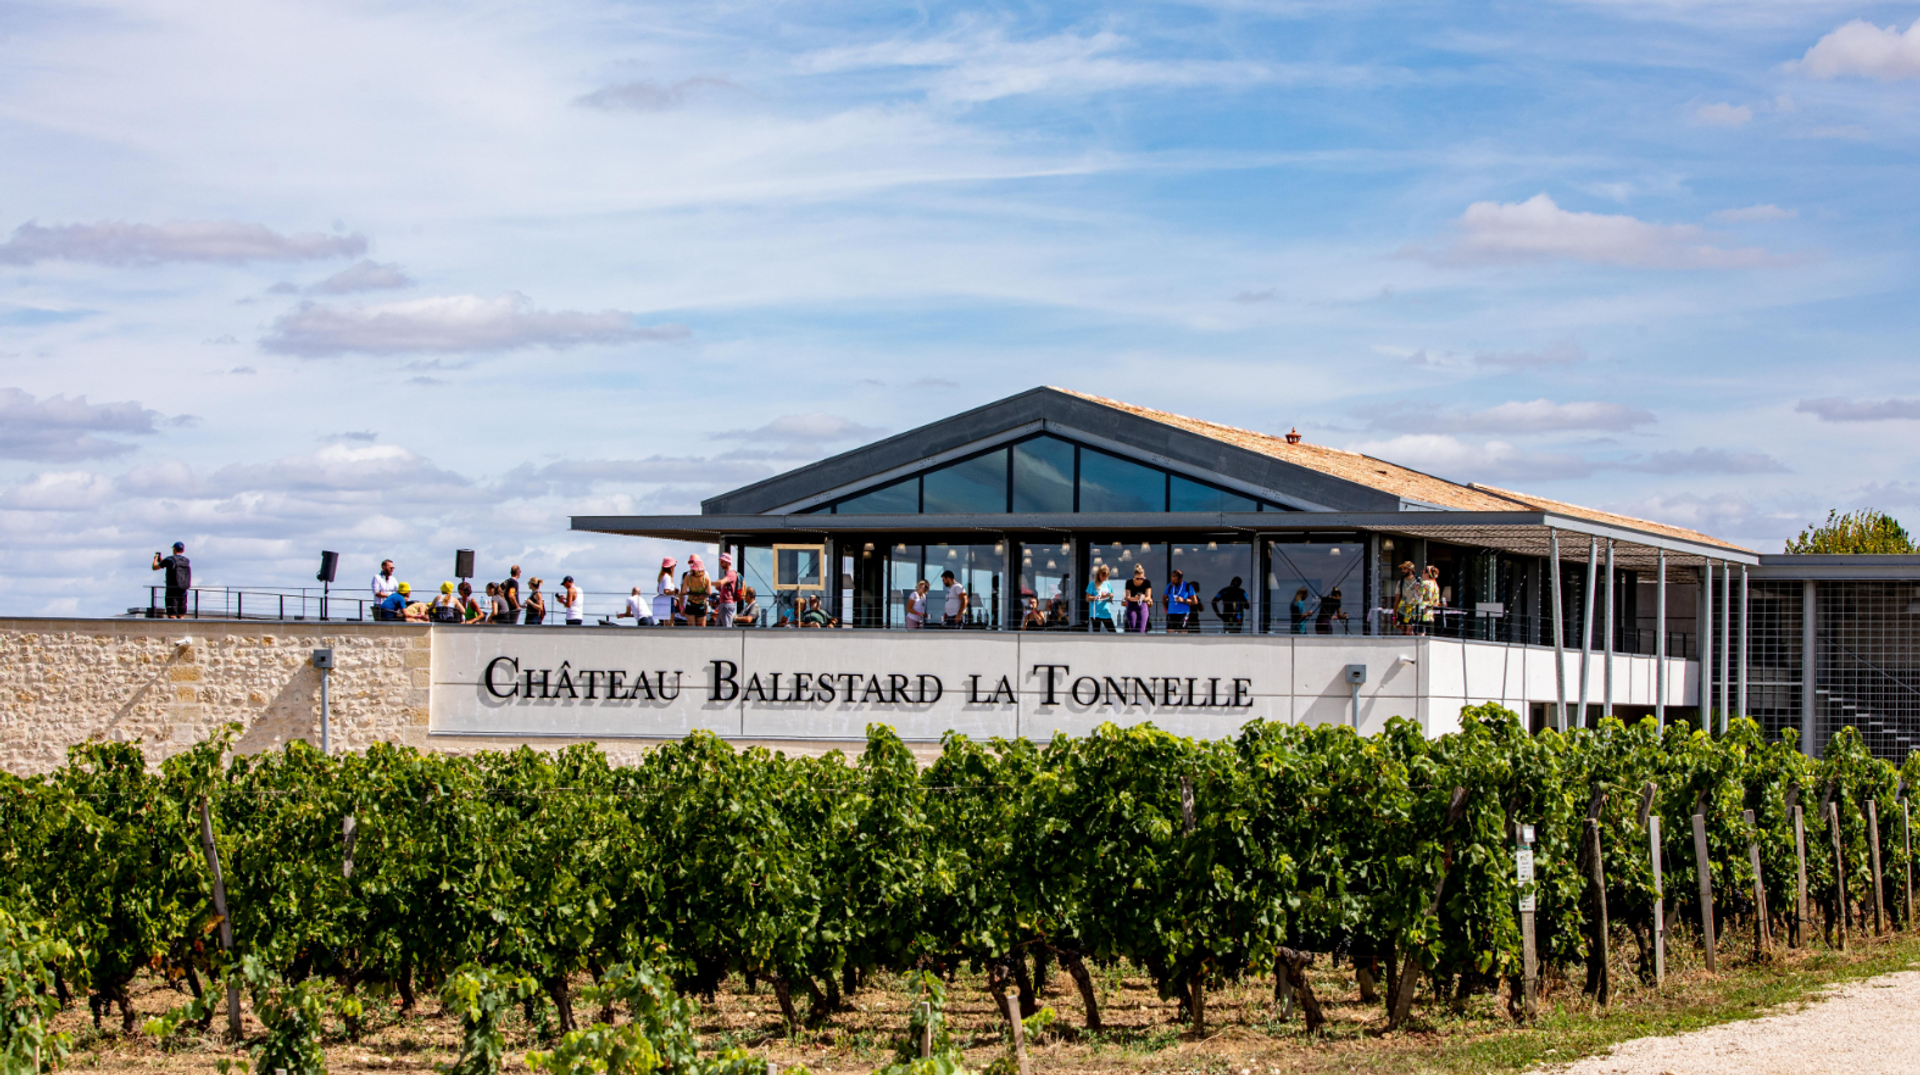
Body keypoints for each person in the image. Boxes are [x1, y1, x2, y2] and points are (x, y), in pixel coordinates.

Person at [151, 542, 191, 618]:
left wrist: (156, 558)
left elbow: (154, 567)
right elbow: (171, 564)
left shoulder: (169, 559)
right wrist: (163, 561)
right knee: (181, 615)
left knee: (171, 614)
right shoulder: (186, 560)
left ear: (174, 549)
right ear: (183, 550)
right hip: (183, 590)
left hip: (172, 590)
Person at [1164, 569, 1200, 633]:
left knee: (1182, 631)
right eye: (1172, 579)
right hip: (1171, 613)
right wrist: (1165, 609)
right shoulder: (1169, 586)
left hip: (1183, 613)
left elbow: (1195, 601)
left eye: (1174, 580)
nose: (1172, 581)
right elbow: (1164, 598)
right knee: (1170, 631)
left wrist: (1183, 600)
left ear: (1180, 579)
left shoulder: (1187, 586)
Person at [681, 555, 712, 627]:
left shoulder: (687, 577)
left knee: (691, 626)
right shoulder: (706, 578)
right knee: (702, 627)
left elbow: (683, 592)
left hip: (690, 604)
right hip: (701, 604)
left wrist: (690, 593)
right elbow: (709, 592)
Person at [714, 553, 741, 630]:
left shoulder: (731, 573)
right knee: (719, 626)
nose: (721, 564)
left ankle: (728, 641)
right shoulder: (728, 573)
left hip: (727, 603)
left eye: (722, 562)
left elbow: (721, 582)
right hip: (724, 603)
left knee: (726, 627)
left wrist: (708, 583)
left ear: (727, 562)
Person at [1123, 564, 1153, 633]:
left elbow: (1148, 597)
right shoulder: (1129, 582)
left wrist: (1142, 598)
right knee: (1132, 629)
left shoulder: (1147, 582)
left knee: (1141, 630)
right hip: (1132, 605)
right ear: (1134, 576)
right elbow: (1127, 596)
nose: (1139, 580)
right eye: (1137, 578)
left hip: (1142, 606)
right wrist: (1134, 598)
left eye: (1141, 578)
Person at [1085, 565, 1116, 632]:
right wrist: (1099, 597)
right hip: (1096, 613)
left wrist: (1110, 596)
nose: (1104, 578)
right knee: (1096, 632)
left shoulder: (1108, 584)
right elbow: (1087, 598)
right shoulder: (1092, 584)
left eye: (1106, 576)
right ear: (1099, 574)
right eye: (1103, 576)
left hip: (1106, 612)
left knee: (1113, 632)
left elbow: (1111, 597)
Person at [1395, 561, 1421, 635]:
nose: (1402, 571)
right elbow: (1397, 598)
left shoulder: (1419, 581)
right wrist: (1394, 615)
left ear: (1410, 570)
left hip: (1414, 609)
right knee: (1403, 629)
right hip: (1402, 609)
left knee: (1410, 629)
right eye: (1402, 569)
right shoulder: (1400, 582)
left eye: (1404, 569)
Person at [653, 558, 678, 625]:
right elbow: (666, 591)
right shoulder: (667, 577)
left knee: (665, 622)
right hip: (669, 602)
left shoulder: (662, 576)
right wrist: (675, 592)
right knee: (670, 623)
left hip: (663, 602)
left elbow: (658, 590)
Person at [1421, 565, 1443, 635]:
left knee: (1419, 631)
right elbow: (1436, 602)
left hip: (1421, 612)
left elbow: (1418, 599)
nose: (1422, 575)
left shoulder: (1424, 584)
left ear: (1427, 574)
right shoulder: (1435, 585)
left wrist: (1416, 591)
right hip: (1430, 612)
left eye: (1423, 572)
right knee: (1427, 632)